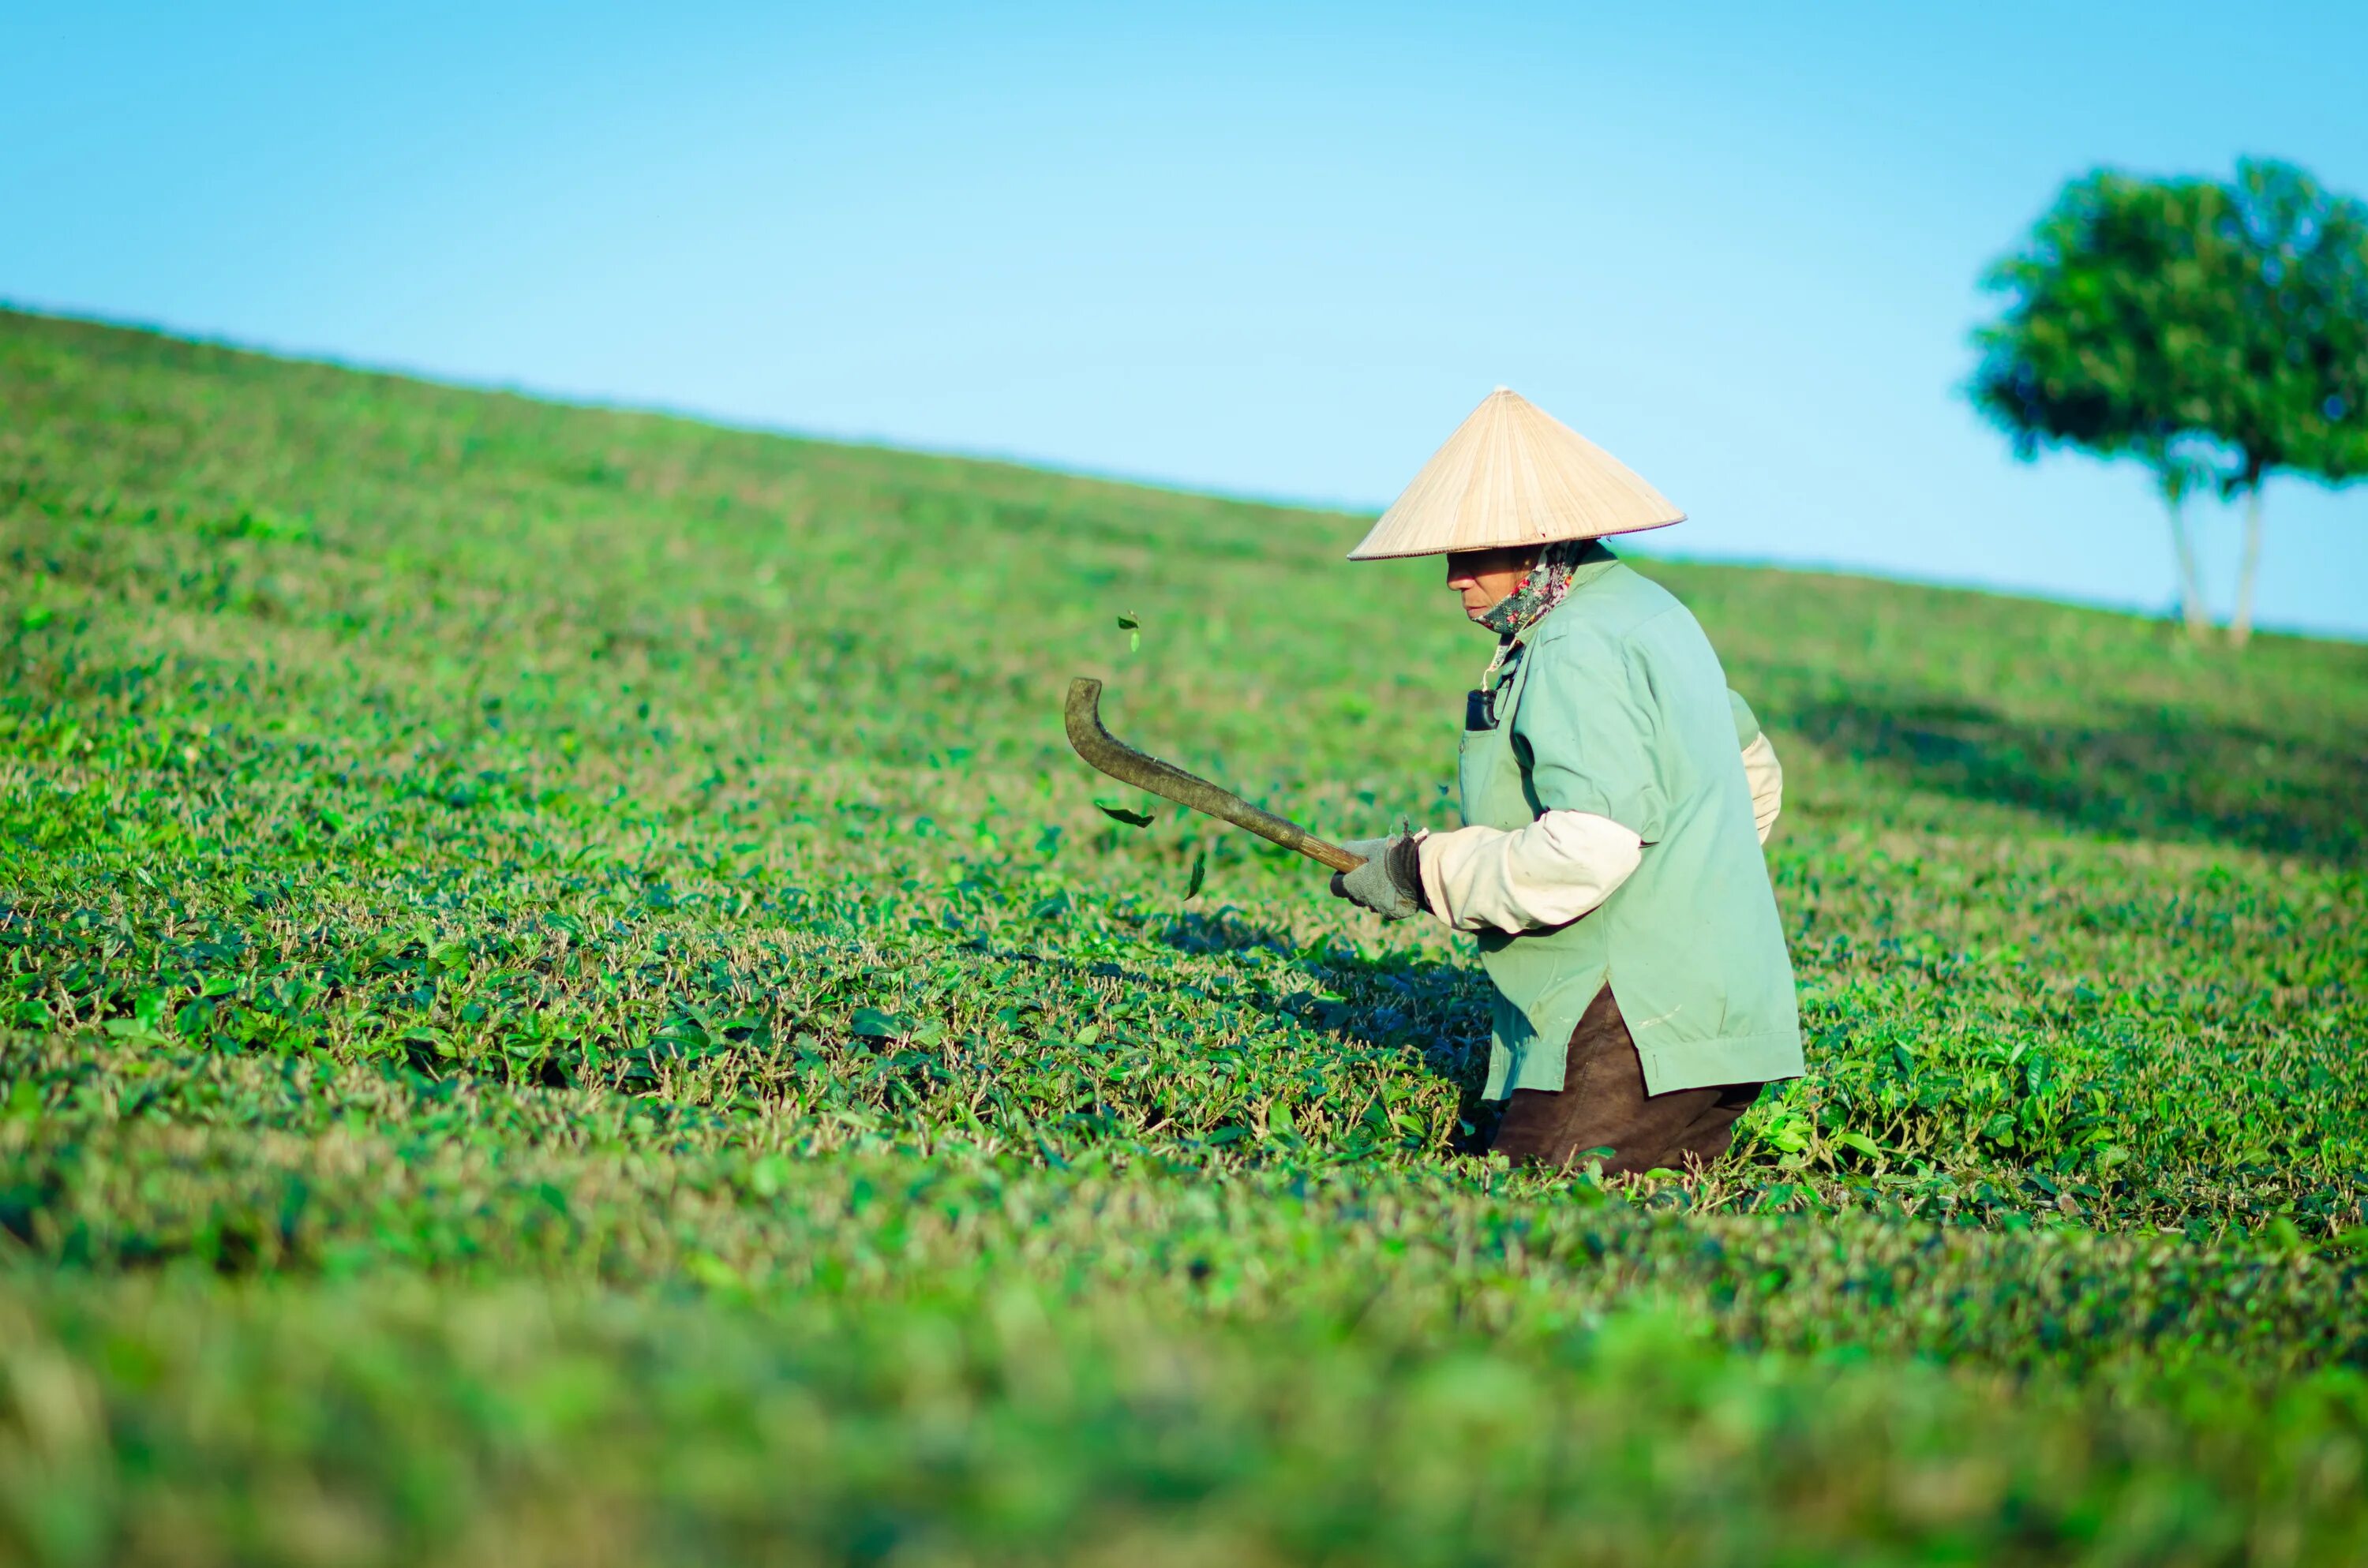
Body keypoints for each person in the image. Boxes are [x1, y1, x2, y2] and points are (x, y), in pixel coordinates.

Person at [1326, 388, 1803, 1176]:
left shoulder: (1575, 642)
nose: (1452, 577)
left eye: (1473, 551)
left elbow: (1587, 846)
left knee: (1523, 1236)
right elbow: (1749, 768)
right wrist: (1684, 899)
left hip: (1630, 1028)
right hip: (1712, 1013)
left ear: (1534, 541)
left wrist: (1420, 869)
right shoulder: (1651, 614)